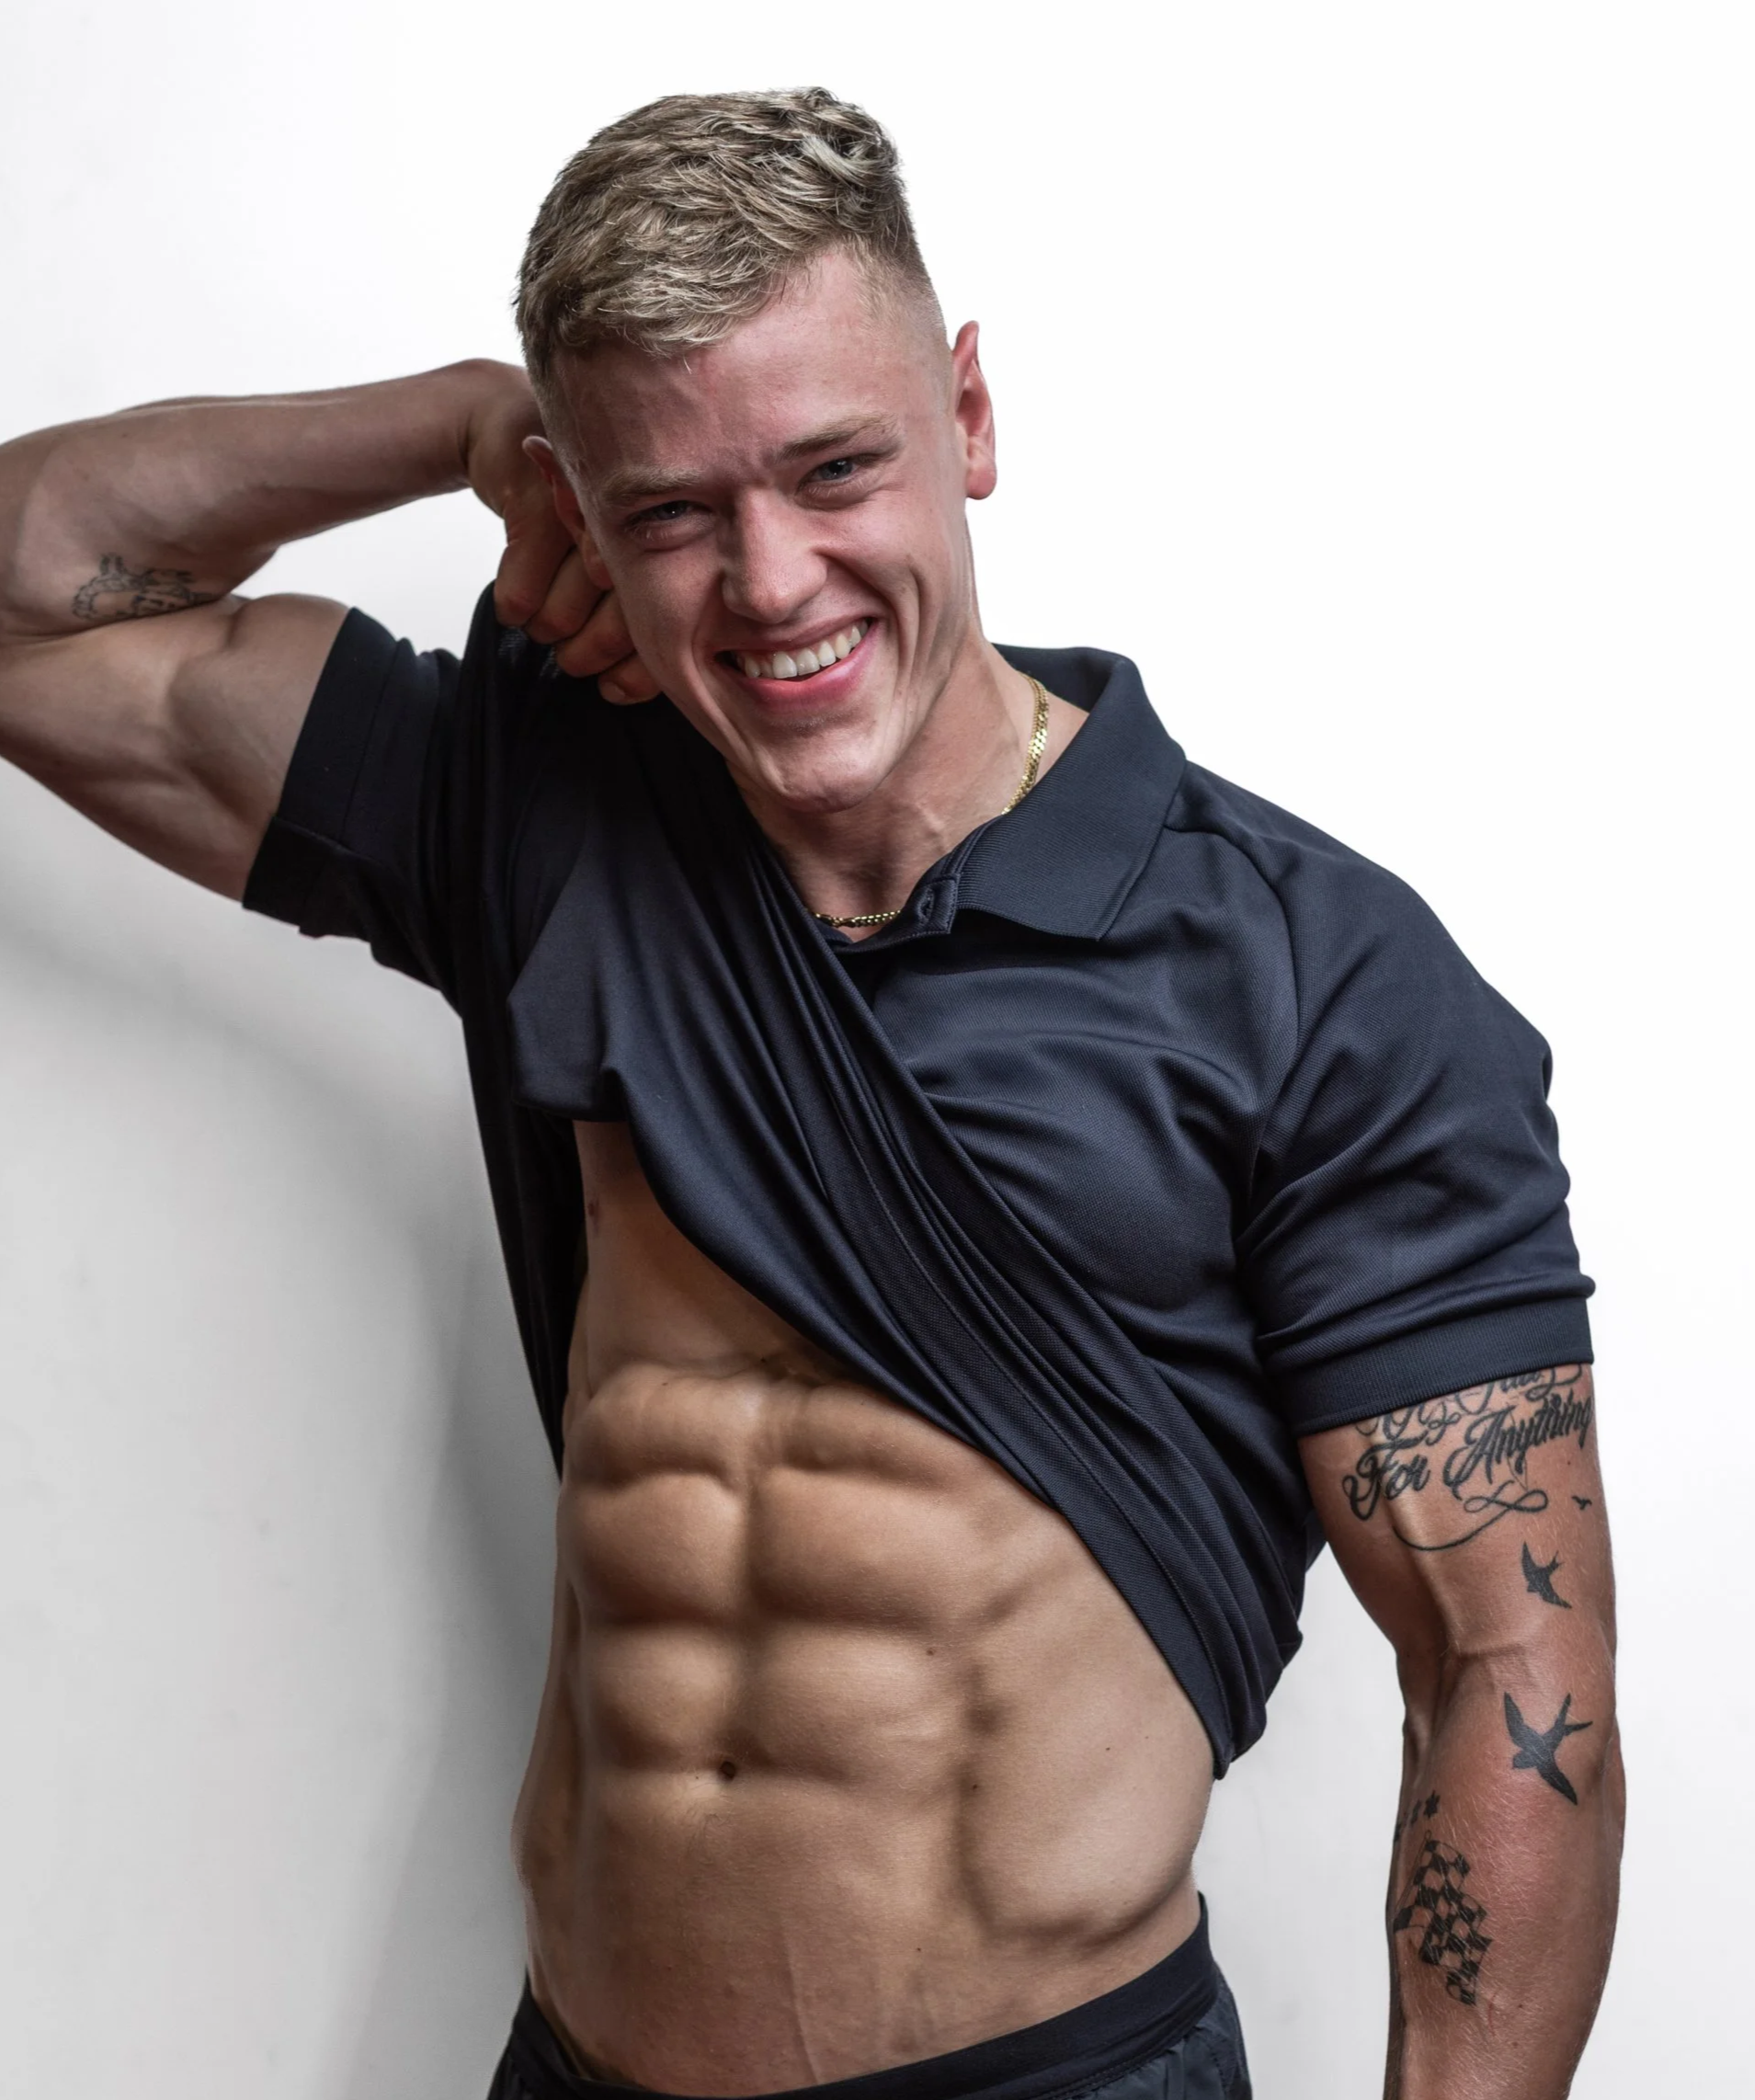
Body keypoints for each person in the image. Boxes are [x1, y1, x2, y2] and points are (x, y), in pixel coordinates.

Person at [0, 86, 1620, 2100]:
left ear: (972, 420)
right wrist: (445, 419)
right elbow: (28, 591)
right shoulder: (541, 813)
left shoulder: (1319, 981)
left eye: (834, 467)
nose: (770, 582)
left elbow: (1507, 1672)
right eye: (670, 510)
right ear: (580, 515)